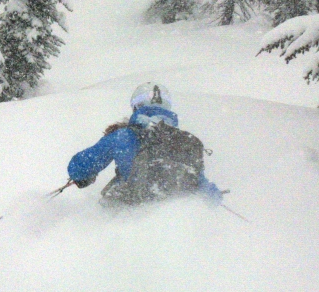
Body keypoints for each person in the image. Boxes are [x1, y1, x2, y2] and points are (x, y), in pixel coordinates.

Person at [67, 83, 224, 206]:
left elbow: (82, 166)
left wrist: (78, 176)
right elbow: (200, 183)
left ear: (136, 106)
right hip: (171, 218)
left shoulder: (122, 135)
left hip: (126, 208)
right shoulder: (187, 141)